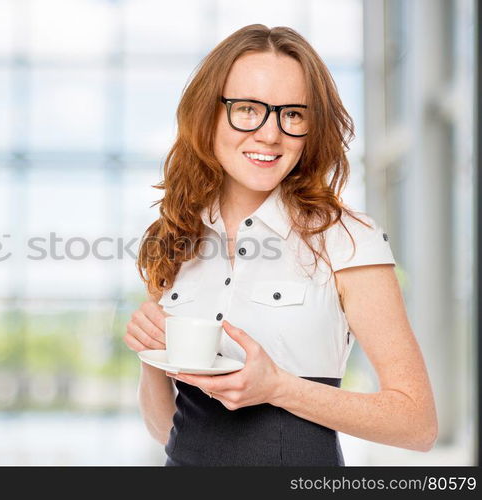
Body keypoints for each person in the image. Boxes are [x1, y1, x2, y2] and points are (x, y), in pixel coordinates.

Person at [125, 24, 438, 466]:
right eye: (248, 109)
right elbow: (165, 431)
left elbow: (417, 424)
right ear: (207, 115)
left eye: (293, 114)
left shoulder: (347, 238)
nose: (271, 134)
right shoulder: (175, 237)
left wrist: (278, 387)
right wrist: (151, 358)